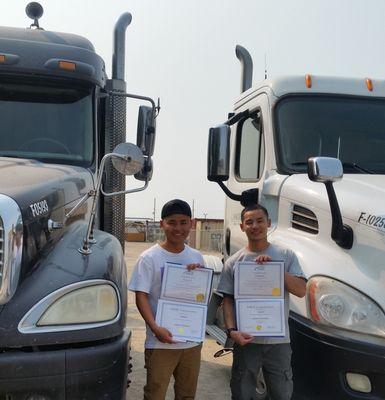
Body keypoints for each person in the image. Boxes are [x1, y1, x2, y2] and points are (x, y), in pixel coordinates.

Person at [217, 204, 306, 400]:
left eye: (260, 221)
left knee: (281, 393)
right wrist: (232, 331)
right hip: (246, 340)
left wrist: (276, 271)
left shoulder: (285, 255)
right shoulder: (233, 262)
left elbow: (301, 290)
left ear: (269, 223)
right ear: (242, 226)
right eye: (249, 222)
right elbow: (228, 301)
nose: (255, 225)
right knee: (242, 391)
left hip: (278, 342)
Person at [128, 199, 204, 400]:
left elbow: (200, 297)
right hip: (160, 342)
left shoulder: (197, 257)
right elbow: (141, 296)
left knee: (187, 394)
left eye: (183, 222)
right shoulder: (149, 258)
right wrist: (155, 327)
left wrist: (198, 278)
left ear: (192, 223)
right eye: (172, 222)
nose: (177, 228)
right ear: (162, 224)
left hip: (190, 343)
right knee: (155, 394)